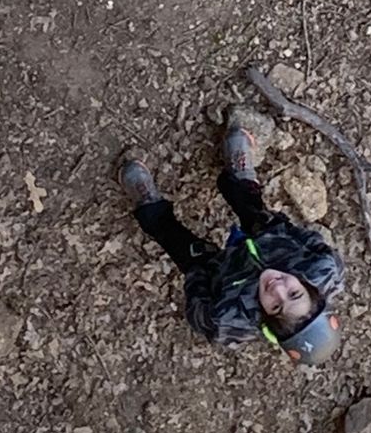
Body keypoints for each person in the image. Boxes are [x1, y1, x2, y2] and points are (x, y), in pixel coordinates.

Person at [118, 110, 346, 364]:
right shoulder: (325, 270)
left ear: (266, 319)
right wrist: (281, 229)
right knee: (252, 207)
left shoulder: (227, 320)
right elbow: (312, 241)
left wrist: (199, 272)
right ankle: (238, 177)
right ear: (311, 290)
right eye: (294, 294)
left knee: (177, 241)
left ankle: (150, 206)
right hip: (270, 240)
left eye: (275, 307)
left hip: (221, 271)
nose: (278, 288)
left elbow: (198, 309)